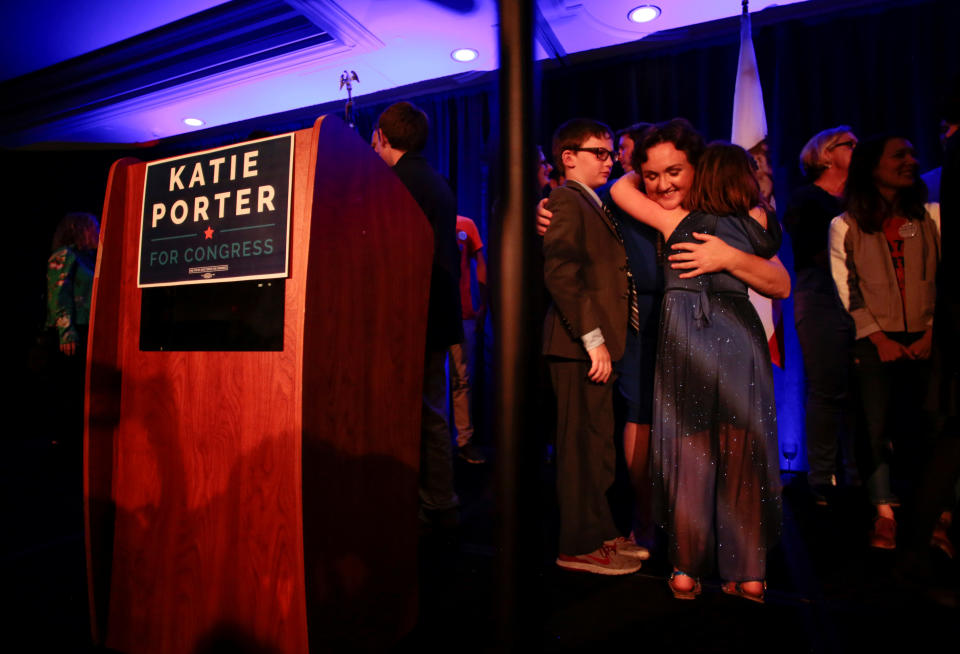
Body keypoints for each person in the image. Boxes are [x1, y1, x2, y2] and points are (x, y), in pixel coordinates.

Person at [611, 142, 789, 603]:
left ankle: (686, 572)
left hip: (688, 337)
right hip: (741, 338)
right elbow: (778, 271)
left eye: (676, 173)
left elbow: (620, 188)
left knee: (690, 455)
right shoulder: (757, 220)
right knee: (743, 454)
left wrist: (638, 175)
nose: (664, 184)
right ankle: (750, 576)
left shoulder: (676, 221)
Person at [542, 118, 644, 575]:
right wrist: (594, 340)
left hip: (594, 345)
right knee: (580, 448)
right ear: (569, 158)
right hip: (577, 346)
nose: (610, 160)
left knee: (597, 445)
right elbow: (562, 272)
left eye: (610, 153)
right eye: (598, 153)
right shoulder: (566, 198)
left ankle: (600, 532)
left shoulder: (591, 203)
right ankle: (577, 544)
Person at [829, 135, 940, 550]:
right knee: (875, 427)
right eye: (899, 155)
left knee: (928, 425)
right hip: (873, 342)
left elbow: (943, 278)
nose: (910, 161)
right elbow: (847, 287)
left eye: (913, 153)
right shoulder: (845, 224)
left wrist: (932, 330)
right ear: (872, 166)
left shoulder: (930, 217)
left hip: (927, 339)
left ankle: (934, 514)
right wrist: (876, 335)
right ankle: (884, 512)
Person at [372, 101, 463, 525]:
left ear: (382, 137)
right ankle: (439, 496)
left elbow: (392, 258)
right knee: (432, 410)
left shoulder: (394, 183)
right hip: (438, 312)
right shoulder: (436, 181)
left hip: (410, 317)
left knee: (412, 413)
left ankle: (427, 500)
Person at [784, 126, 860, 503]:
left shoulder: (864, 197)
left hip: (864, 298)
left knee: (862, 392)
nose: (858, 148)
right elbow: (815, 252)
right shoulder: (807, 200)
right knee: (827, 388)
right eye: (850, 144)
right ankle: (821, 478)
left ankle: (860, 476)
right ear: (826, 154)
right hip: (822, 298)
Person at [449, 215, 488, 464]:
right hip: (433, 310)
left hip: (462, 312)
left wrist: (482, 305)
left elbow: (480, 262)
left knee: (461, 379)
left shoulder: (465, 224)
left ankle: (464, 440)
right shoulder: (422, 216)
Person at [46, 212, 99, 358]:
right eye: (94, 228)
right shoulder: (64, 254)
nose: (98, 232)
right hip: (71, 333)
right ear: (80, 230)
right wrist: (66, 332)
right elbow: (59, 293)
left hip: (85, 328)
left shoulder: (88, 258)